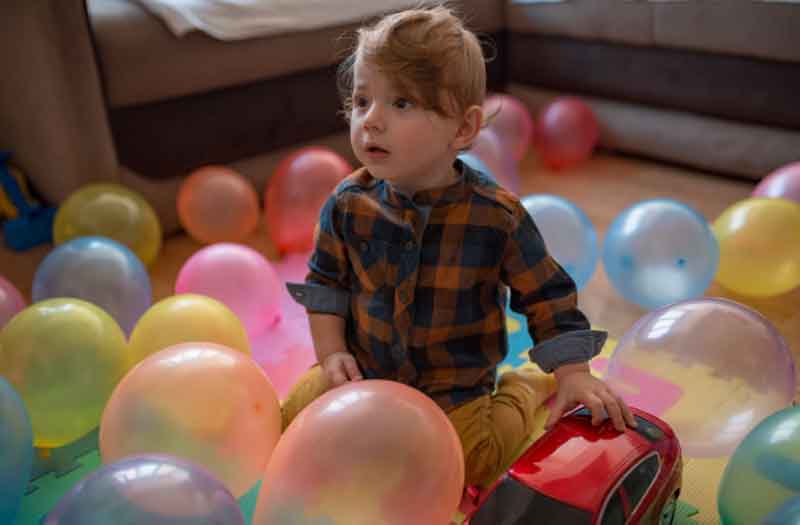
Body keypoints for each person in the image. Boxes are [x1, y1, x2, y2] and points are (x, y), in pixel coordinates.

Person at [284, 4, 636, 489]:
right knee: (292, 425)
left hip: (453, 391)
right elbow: (326, 284)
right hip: (364, 371)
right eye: (363, 101)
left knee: (473, 465)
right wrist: (330, 355)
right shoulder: (348, 203)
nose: (372, 121)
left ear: (464, 128)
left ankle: (521, 390)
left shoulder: (496, 215)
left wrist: (572, 373)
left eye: (401, 103)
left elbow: (546, 296)